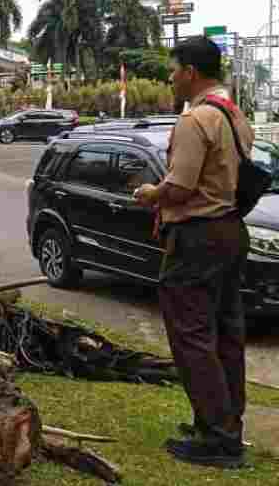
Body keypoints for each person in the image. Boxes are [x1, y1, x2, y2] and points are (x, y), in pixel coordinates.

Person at [133, 36, 252, 468]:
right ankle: (223, 423)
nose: (169, 77)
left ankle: (217, 439)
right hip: (230, 233)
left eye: (173, 69)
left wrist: (150, 193)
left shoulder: (195, 120)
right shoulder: (235, 115)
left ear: (190, 73)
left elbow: (179, 188)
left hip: (198, 238)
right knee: (226, 335)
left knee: (191, 336)